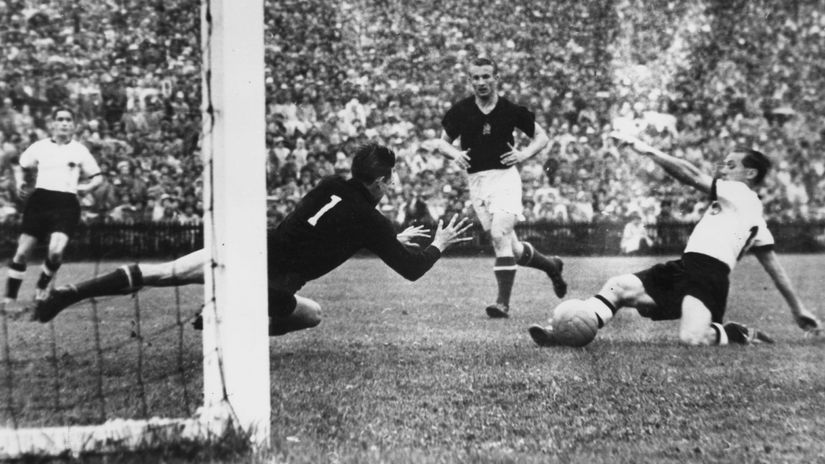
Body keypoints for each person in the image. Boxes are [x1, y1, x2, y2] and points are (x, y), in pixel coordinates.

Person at [30, 143, 472, 335]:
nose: (390, 187)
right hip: (272, 284)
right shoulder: (369, 219)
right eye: (389, 181)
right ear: (378, 181)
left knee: (164, 273)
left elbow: (332, 229)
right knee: (312, 315)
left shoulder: (329, 185)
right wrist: (439, 243)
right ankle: (227, 321)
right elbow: (411, 269)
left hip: (248, 246)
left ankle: (70, 292)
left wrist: (393, 233)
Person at [529, 134, 822, 346]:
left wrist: (647, 150)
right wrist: (798, 309)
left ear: (750, 173)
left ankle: (732, 333)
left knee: (692, 339)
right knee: (618, 287)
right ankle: (565, 333)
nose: (724, 168)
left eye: (731, 165)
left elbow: (691, 175)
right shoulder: (749, 212)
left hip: (709, 277)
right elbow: (773, 266)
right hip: (685, 268)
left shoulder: (741, 193)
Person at [433, 56, 566, 319]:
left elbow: (542, 137)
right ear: (470, 80)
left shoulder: (511, 110)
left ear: (496, 78)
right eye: (476, 78)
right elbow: (442, 143)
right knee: (512, 249)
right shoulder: (461, 111)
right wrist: (454, 154)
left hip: (505, 178)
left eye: (486, 76)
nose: (481, 82)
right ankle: (551, 266)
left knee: (498, 234)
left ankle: (502, 304)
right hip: (477, 182)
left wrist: (523, 154)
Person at [3, 108, 102, 310]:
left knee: (56, 252)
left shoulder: (80, 150)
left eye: (68, 120)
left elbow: (97, 177)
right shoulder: (39, 147)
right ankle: (9, 301)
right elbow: (21, 165)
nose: (64, 123)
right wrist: (22, 183)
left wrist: (85, 187)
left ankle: (41, 288)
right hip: (40, 201)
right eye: (60, 119)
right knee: (22, 253)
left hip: (66, 203)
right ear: (53, 124)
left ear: (73, 125)